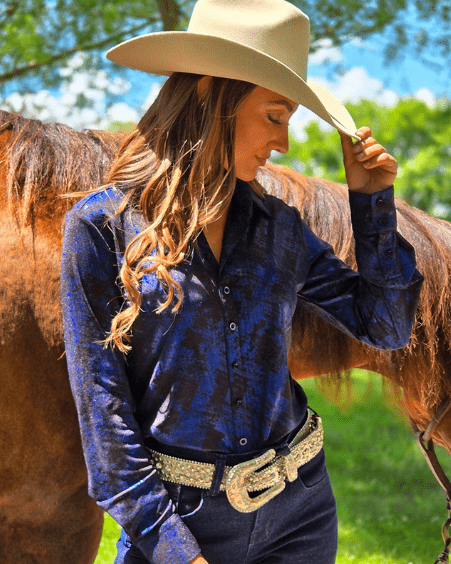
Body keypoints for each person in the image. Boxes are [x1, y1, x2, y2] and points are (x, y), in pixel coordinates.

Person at [61, 1, 423, 563]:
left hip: (301, 518)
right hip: (180, 528)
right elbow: (105, 426)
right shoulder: (100, 228)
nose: (284, 143)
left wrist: (372, 201)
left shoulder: (280, 228)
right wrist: (179, 554)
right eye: (275, 116)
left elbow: (387, 327)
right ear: (212, 93)